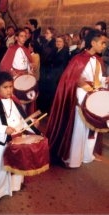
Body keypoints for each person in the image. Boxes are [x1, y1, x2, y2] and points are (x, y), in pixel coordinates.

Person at [46, 29, 109, 168]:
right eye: (102, 43)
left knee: (93, 128)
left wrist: (105, 81)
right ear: (93, 43)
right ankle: (74, 158)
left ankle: (87, 155)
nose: (104, 46)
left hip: (95, 95)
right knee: (80, 127)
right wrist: (80, 83)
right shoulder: (78, 59)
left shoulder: (98, 60)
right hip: (81, 96)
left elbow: (100, 79)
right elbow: (69, 80)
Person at [0, 72, 41, 204]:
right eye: (5, 87)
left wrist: (32, 124)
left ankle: (14, 186)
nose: (9, 90)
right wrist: (3, 129)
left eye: (11, 87)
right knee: (0, 169)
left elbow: (22, 121)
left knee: (17, 166)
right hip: (1, 143)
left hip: (17, 142)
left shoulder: (15, 102)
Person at [0, 28, 36, 115]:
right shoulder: (11, 49)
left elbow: (28, 64)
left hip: (25, 77)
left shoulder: (26, 49)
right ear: (16, 37)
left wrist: (31, 67)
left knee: (25, 100)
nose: (24, 38)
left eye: (25, 36)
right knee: (16, 100)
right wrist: (11, 71)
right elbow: (5, 64)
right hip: (15, 78)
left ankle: (23, 119)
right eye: (21, 36)